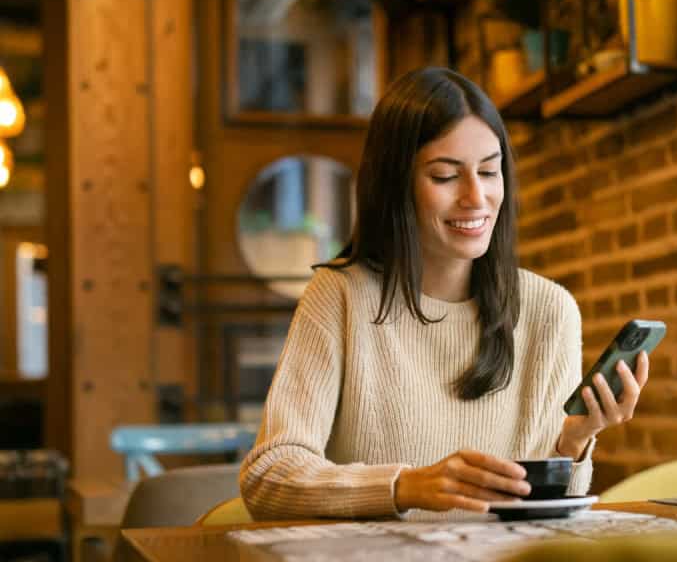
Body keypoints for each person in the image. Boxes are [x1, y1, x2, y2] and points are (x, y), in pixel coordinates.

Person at [240, 66, 649, 523]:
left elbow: (541, 520)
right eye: (445, 176)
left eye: (489, 172)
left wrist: (573, 441)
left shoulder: (549, 311)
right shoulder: (340, 297)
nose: (476, 197)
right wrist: (405, 486)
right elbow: (268, 476)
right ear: (397, 185)